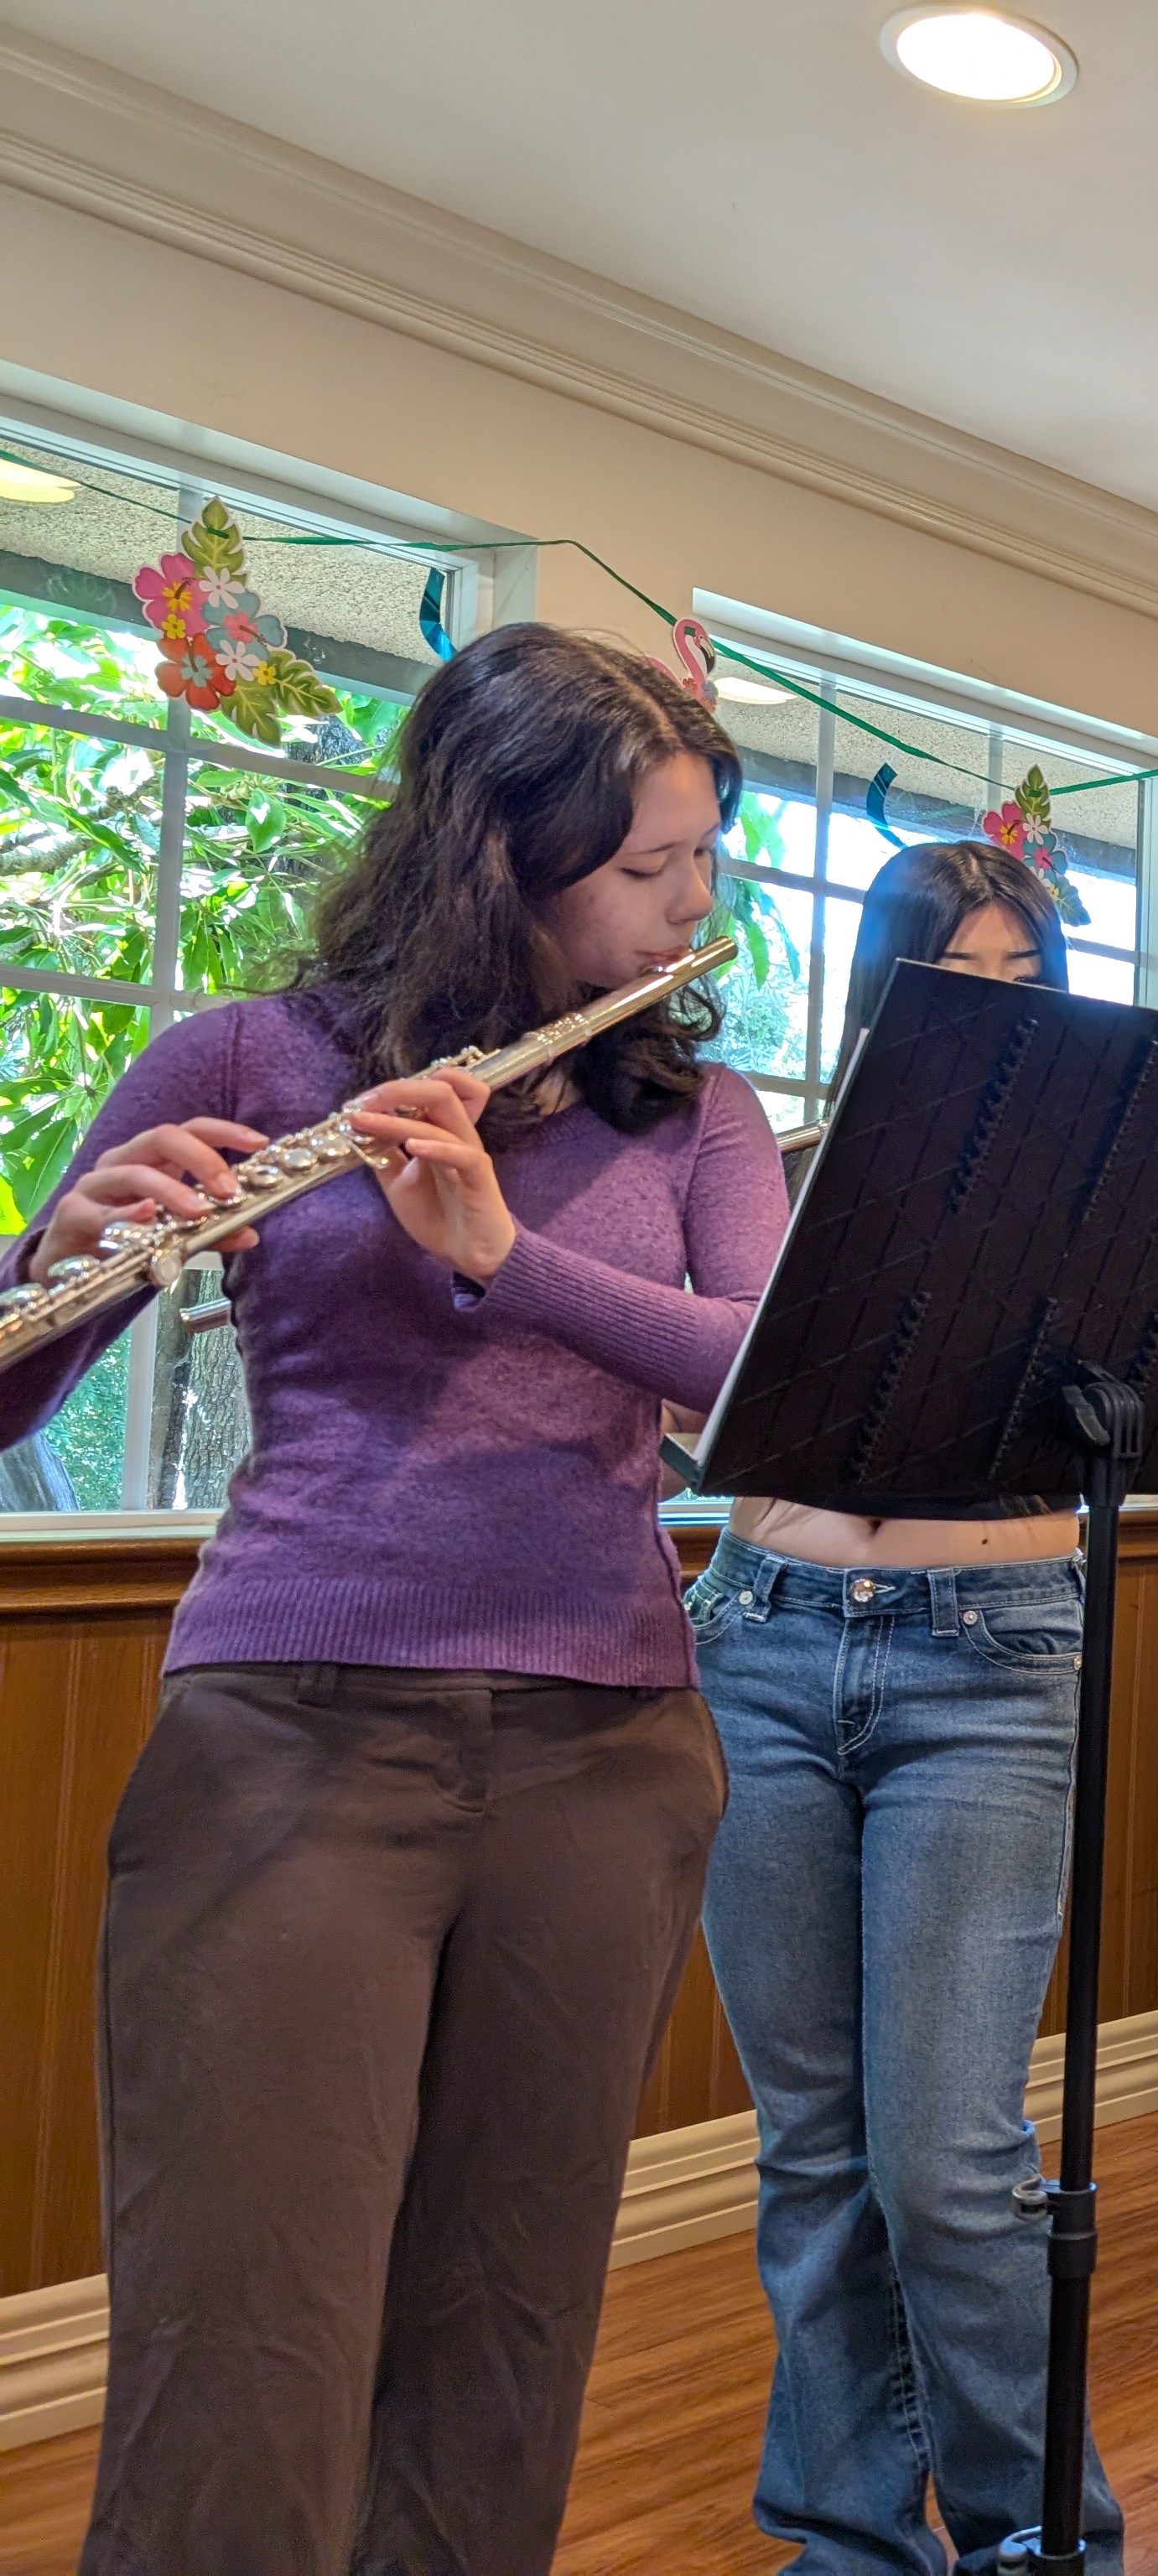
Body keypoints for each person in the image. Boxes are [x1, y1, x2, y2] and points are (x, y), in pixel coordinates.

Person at [0, 622, 785, 2573]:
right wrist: (57, 1249)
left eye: (704, 855)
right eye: (650, 866)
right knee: (240, 2339)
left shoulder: (694, 1111)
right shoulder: (248, 1057)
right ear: (498, 854)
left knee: (502, 2334)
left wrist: (509, 1254)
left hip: (608, 1747)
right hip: (291, 1737)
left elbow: (765, 1377)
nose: (694, 905)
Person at [688, 839, 1126, 2574]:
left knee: (947, 2158)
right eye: (951, 978)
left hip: (993, 1658)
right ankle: (846, 2542)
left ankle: (1041, 2541)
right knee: (813, 2155)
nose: (990, 1012)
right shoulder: (782, 1177)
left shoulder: (1101, 1204)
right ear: (884, 991)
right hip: (763, 1639)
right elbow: (689, 1401)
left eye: (1023, 980)